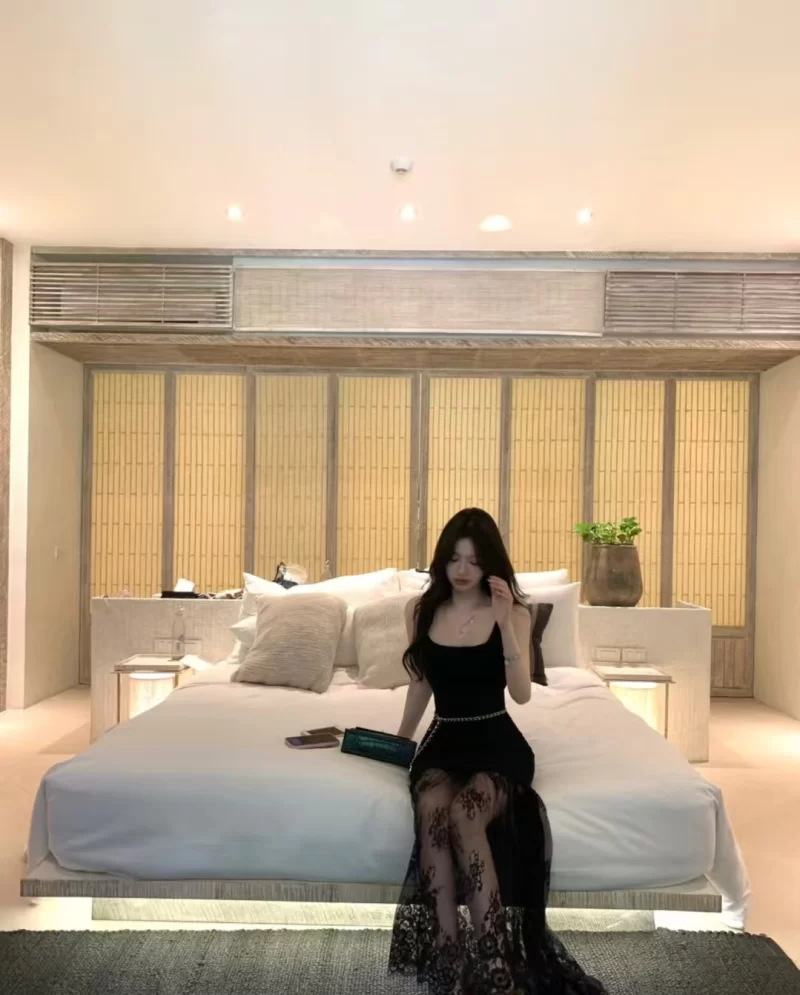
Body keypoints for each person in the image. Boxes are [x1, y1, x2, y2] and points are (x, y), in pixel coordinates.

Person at [389, 508, 607, 995]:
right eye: (453, 559)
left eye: (473, 560)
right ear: (441, 561)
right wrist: (401, 740)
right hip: (444, 739)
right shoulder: (419, 612)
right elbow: (421, 684)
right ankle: (448, 963)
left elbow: (522, 694)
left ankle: (493, 966)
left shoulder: (515, 613)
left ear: (490, 564)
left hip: (497, 741)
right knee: (432, 808)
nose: (462, 570)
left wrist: (506, 625)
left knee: (466, 813)